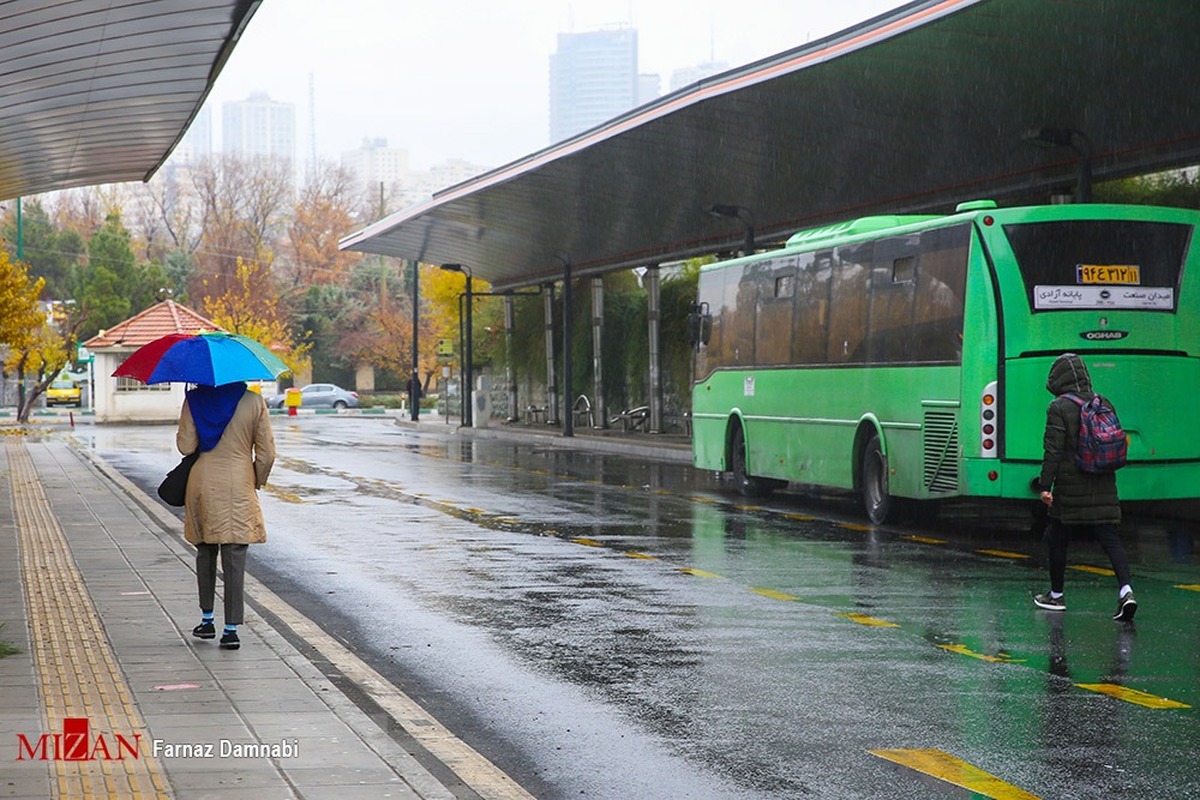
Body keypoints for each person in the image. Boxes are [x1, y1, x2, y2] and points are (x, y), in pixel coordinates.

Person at [1033, 353, 1136, 621]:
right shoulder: (1104, 402)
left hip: (1070, 487)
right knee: (1111, 539)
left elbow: (1052, 451)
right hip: (1103, 482)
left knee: (1058, 538)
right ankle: (1126, 592)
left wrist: (1045, 485)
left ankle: (1056, 596)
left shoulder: (1059, 407)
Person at [176, 382, 276, 650]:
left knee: (205, 551)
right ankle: (231, 629)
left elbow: (186, 447)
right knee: (234, 555)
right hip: (239, 482)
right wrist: (256, 479)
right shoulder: (254, 402)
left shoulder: (194, 400)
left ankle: (207, 620)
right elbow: (267, 454)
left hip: (203, 482)